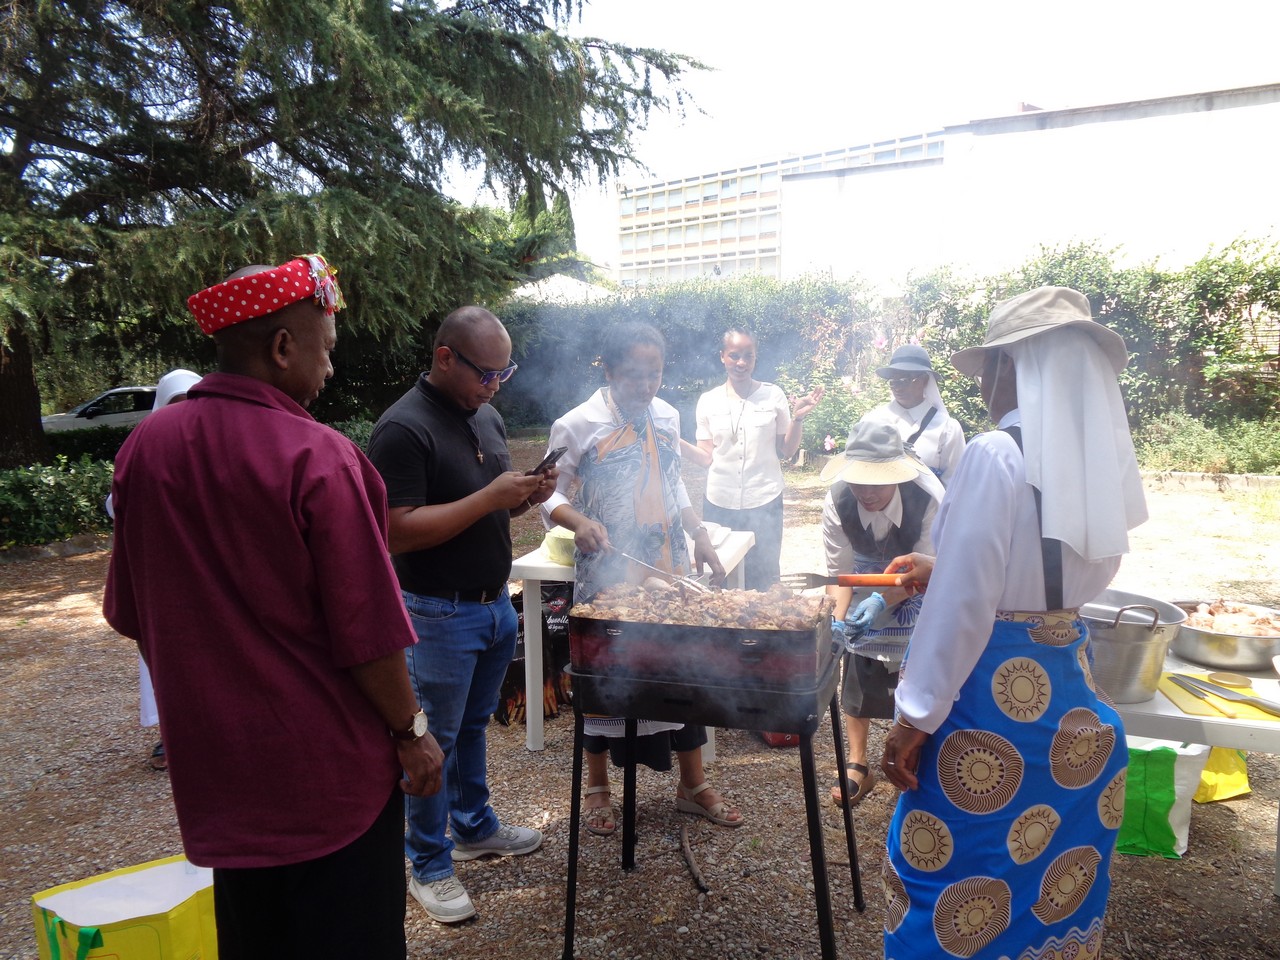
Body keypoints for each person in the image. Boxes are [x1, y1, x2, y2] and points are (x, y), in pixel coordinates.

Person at [104, 255, 444, 960]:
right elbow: (368, 633)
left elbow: (137, 614)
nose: (329, 368)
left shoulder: (143, 449)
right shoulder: (318, 456)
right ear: (283, 347)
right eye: (326, 349)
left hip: (222, 778)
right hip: (329, 781)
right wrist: (411, 730)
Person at [878, 286, 1147, 959]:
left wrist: (912, 719)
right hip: (1077, 720)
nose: (982, 388)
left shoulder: (997, 452)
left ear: (1010, 366)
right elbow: (1053, 581)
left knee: (947, 892)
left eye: (987, 369)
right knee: (1050, 902)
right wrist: (948, 568)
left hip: (994, 724)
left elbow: (963, 610)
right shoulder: (1096, 462)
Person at [366, 306, 553, 925]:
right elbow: (395, 531)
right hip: (435, 613)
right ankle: (428, 863)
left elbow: (485, 511)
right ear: (445, 357)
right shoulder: (402, 428)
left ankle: (473, 827)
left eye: (505, 373)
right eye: (485, 373)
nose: (495, 386)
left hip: (493, 604)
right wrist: (489, 497)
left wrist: (524, 497)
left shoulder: (486, 415)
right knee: (432, 742)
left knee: (473, 728)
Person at [542, 321, 741, 837]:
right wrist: (579, 522)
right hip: (607, 567)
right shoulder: (577, 424)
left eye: (655, 373)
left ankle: (693, 785)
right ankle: (597, 786)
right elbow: (550, 493)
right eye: (634, 374)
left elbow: (673, 481)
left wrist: (699, 532)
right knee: (604, 675)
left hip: (666, 562)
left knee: (681, 668)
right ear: (608, 371)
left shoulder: (667, 415)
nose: (647, 385)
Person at [817, 418, 943, 807]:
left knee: (917, 670)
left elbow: (925, 572)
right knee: (856, 663)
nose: (866, 493)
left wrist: (879, 601)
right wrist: (838, 620)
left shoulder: (928, 499)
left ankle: (913, 753)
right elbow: (839, 573)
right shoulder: (838, 500)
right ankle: (858, 763)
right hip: (862, 572)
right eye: (859, 482)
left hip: (919, 583)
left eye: (877, 483)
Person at [108, 367, 203, 772]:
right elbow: (119, 507)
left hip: (204, 575)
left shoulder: (210, 445)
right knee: (166, 654)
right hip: (163, 576)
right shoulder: (143, 449)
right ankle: (173, 731)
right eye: (174, 403)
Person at [687, 327, 824, 591]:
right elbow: (705, 457)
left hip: (764, 500)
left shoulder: (773, 395)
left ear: (755, 357)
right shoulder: (708, 401)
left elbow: (786, 450)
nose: (741, 362)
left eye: (748, 356)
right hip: (720, 501)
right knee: (721, 575)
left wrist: (798, 418)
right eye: (734, 355)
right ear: (722, 356)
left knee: (765, 576)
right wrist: (674, 442)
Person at [863, 344, 966, 485]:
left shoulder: (947, 428)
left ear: (924, 380)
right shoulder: (872, 420)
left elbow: (953, 483)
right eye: (893, 382)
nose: (898, 388)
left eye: (904, 380)